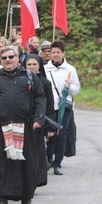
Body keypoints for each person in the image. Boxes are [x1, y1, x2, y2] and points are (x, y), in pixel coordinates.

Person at [0, 46, 46, 204]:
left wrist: (39, 118)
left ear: (18, 58)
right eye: (4, 58)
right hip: (1, 128)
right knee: (0, 163)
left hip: (25, 126)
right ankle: (1, 198)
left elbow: (40, 98)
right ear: (0, 61)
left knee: (26, 163)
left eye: (11, 57)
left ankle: (26, 195)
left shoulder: (30, 77)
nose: (8, 60)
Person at [44, 41, 81, 176]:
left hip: (64, 107)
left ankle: (58, 163)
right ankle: (49, 159)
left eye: (58, 52)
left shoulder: (70, 69)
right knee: (50, 134)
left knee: (62, 134)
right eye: (53, 52)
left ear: (63, 53)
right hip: (49, 107)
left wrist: (69, 86)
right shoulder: (45, 69)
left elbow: (77, 90)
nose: (55, 55)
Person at [25, 54, 55, 187]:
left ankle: (37, 179)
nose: (31, 67)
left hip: (39, 122)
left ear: (39, 66)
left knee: (37, 152)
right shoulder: (20, 79)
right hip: (23, 120)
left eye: (34, 65)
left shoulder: (45, 83)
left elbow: (49, 106)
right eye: (29, 65)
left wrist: (49, 127)